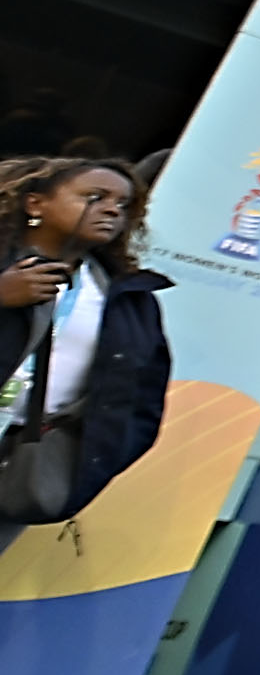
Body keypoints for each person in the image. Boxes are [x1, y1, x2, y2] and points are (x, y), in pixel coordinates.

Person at [0, 156, 170, 537]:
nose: (111, 209)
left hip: (25, 460)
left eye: (123, 205)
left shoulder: (128, 296)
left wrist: (92, 456)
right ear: (35, 204)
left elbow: (140, 397)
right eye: (95, 197)